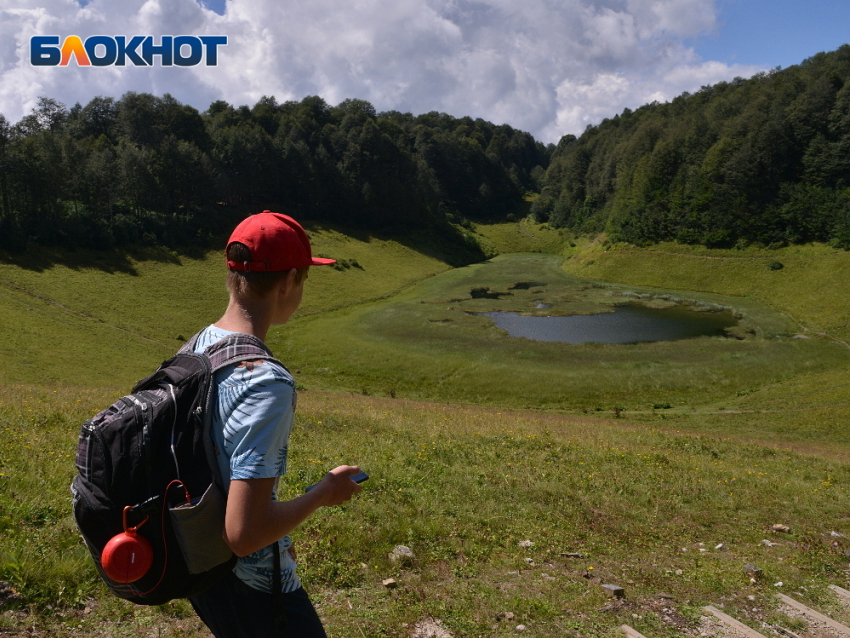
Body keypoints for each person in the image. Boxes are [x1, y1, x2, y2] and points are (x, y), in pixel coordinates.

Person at [188, 211, 362, 638]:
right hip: (255, 588)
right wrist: (324, 493)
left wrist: (277, 534)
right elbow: (244, 534)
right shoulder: (266, 382)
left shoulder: (199, 345)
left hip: (201, 564)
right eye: (304, 278)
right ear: (287, 283)